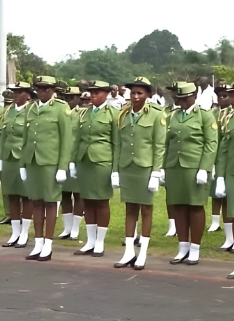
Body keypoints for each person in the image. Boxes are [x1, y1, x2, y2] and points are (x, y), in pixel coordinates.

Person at [112, 77, 166, 270]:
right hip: (127, 167)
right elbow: (118, 145)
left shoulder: (156, 115)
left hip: (145, 168)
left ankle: (142, 252)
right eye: (133, 93)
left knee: (146, 210)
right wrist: (115, 171)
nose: (135, 97)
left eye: (139, 93)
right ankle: (128, 251)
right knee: (130, 209)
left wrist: (156, 173)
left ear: (148, 95)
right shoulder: (123, 114)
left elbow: (159, 146)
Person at [20, 75, 73, 261]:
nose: (42, 92)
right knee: (36, 202)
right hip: (33, 161)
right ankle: (38, 242)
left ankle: (48, 244)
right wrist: (23, 164)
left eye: (46, 89)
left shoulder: (61, 108)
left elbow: (66, 139)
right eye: (39, 89)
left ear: (53, 90)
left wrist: (62, 166)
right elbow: (25, 138)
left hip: (51, 162)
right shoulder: (30, 108)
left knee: (50, 203)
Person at [164, 82, 217, 265]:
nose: (180, 102)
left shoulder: (205, 116)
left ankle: (195, 249)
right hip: (174, 167)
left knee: (195, 207)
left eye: (184, 99)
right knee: (178, 206)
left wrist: (204, 168)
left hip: (195, 168)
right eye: (178, 99)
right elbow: (166, 143)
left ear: (193, 96)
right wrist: (162, 167)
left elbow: (211, 144)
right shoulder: (173, 116)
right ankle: (183, 247)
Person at [71, 81, 119, 257]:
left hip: (102, 161)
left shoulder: (113, 114)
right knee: (86, 200)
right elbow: (77, 139)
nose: (93, 95)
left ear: (107, 94)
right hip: (84, 160)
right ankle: (90, 241)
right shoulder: (84, 113)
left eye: (97, 92)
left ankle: (100, 241)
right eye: (91, 92)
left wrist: (115, 169)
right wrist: (73, 161)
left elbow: (117, 143)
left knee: (101, 201)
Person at [0, 82, 35, 248]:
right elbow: (2, 136)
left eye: (20, 92)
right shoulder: (8, 111)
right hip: (8, 157)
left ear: (28, 95)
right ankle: (15, 232)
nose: (16, 95)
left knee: (26, 197)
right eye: (15, 92)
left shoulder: (32, 111)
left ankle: (24, 233)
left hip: (23, 158)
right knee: (11, 195)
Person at [58, 86, 84, 240]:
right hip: (63, 157)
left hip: (77, 158)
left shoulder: (82, 114)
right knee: (64, 193)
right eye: (66, 97)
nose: (68, 100)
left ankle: (75, 228)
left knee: (78, 194)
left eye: (71, 97)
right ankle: (67, 228)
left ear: (78, 98)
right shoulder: (62, 112)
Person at [209, 84, 233, 232]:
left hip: (227, 159)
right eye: (220, 96)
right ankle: (215, 221)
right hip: (218, 158)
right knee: (216, 193)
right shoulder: (213, 113)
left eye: (226, 96)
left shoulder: (229, 115)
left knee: (228, 198)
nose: (222, 99)